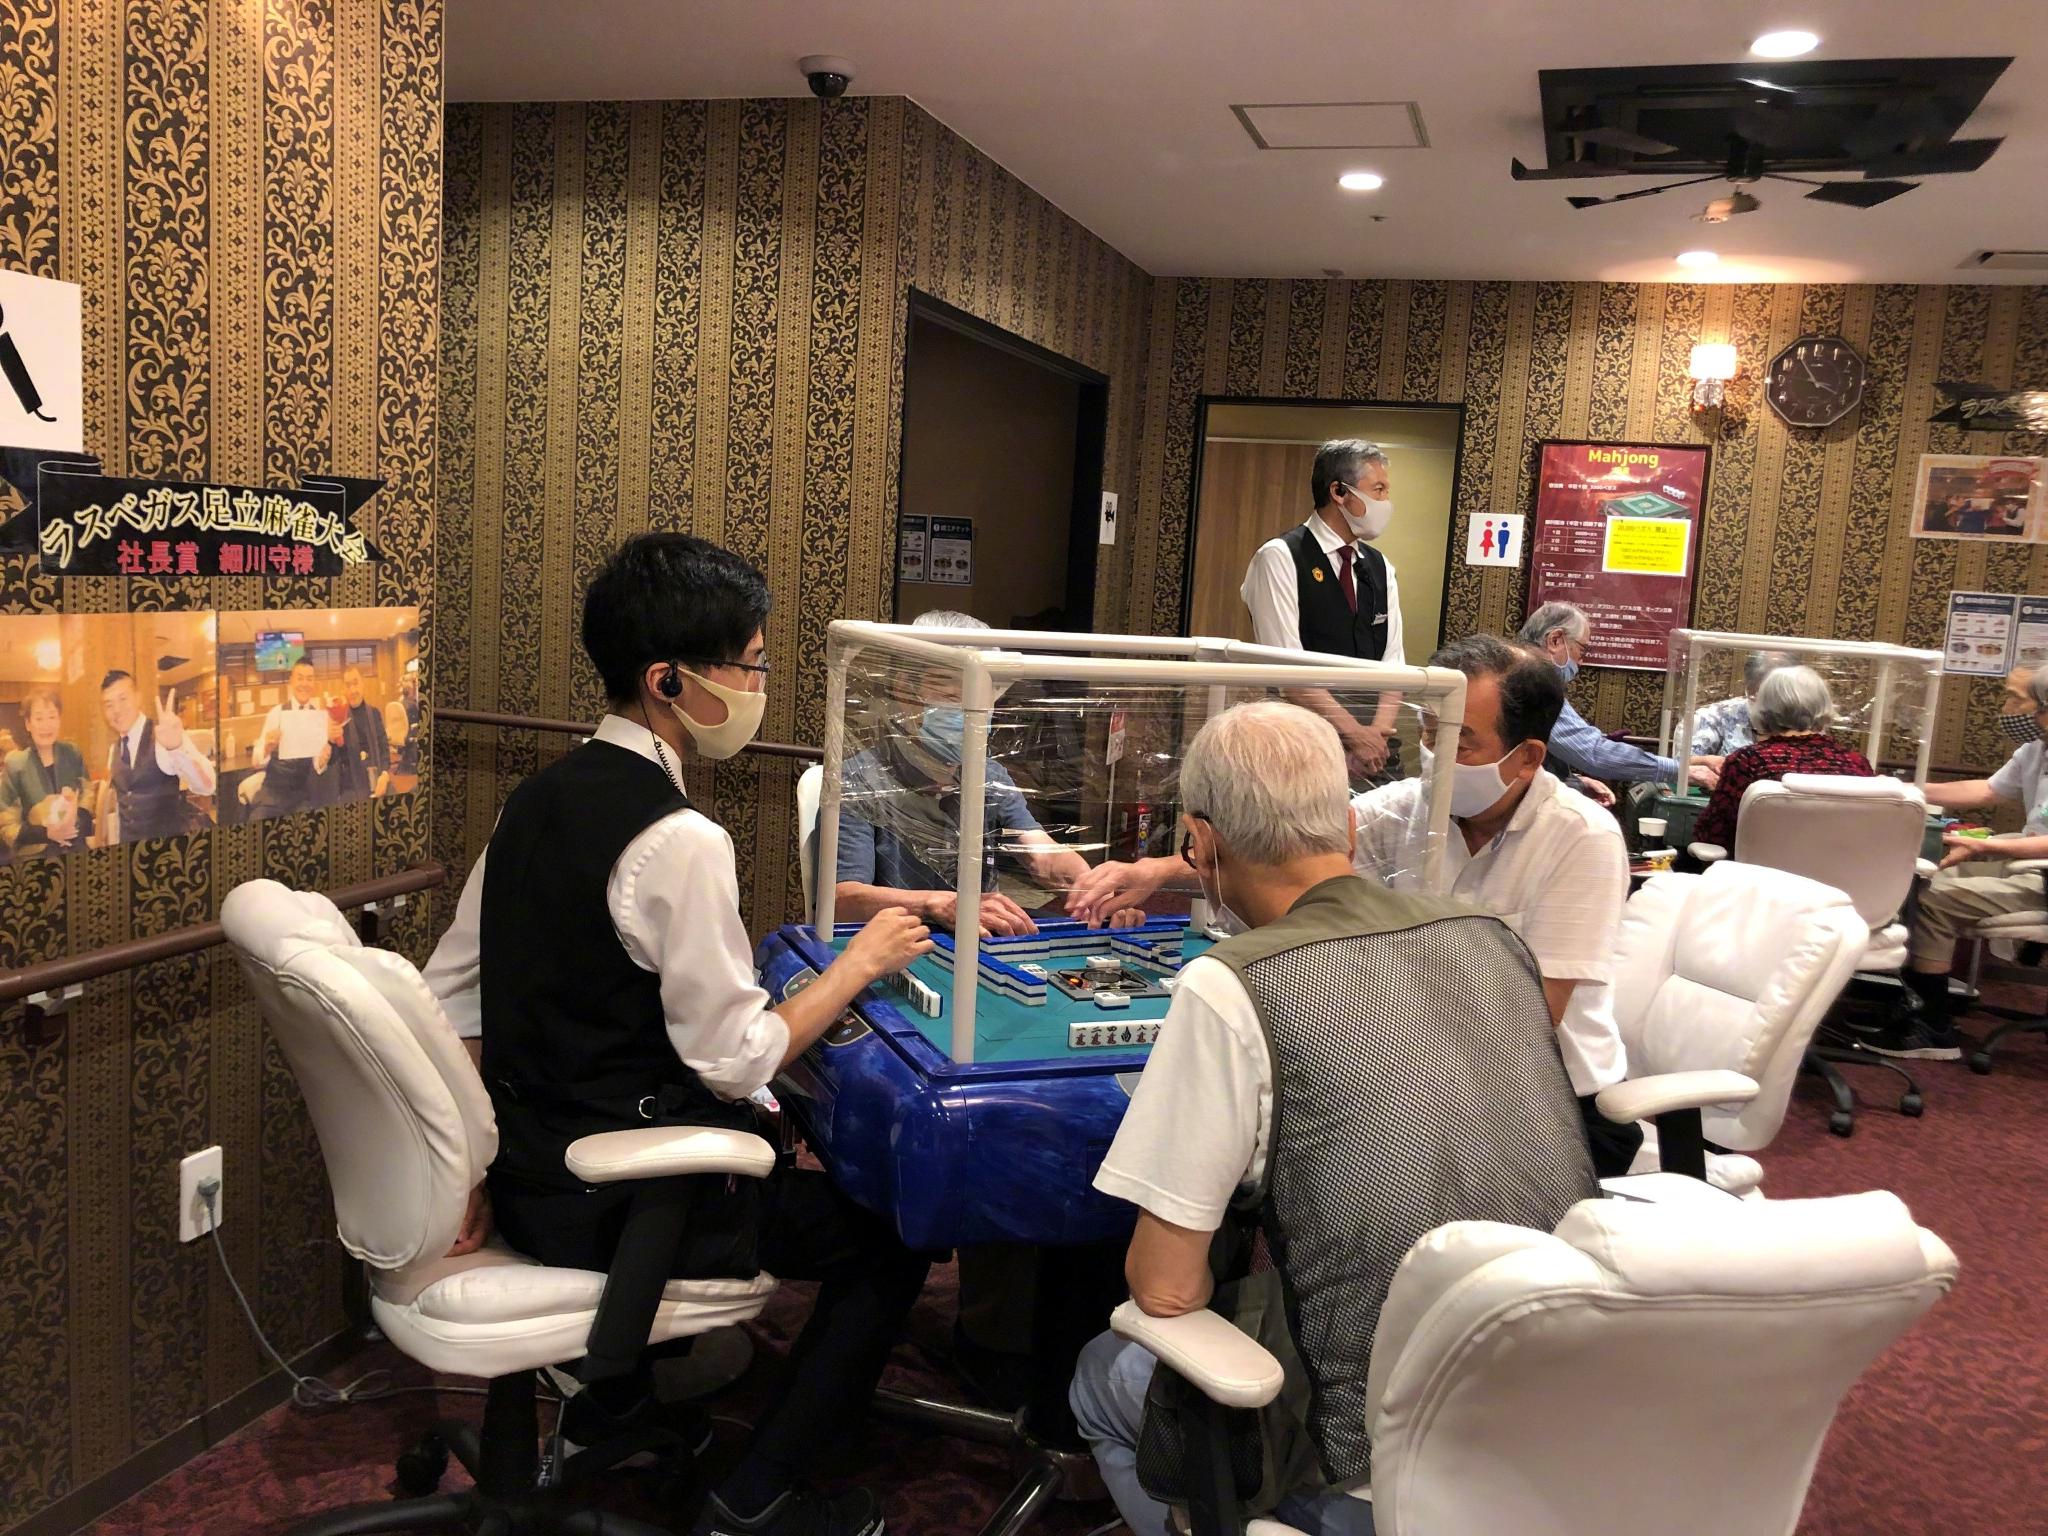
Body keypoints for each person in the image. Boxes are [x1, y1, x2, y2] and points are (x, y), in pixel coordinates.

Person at [423, 532, 934, 1536]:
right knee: (889, 1239)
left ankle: (614, 1406)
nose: (757, 689)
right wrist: (861, 963)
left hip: (530, 1172)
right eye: (749, 666)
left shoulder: (535, 798)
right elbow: (737, 1059)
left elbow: (450, 1001)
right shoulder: (680, 839)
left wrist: (468, 1165)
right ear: (668, 682)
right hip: (624, 1205)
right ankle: (757, 1496)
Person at [1068, 702, 1597, 1536]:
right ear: (1350, 829)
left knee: (1102, 1376)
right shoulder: (1496, 940)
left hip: (1373, 1469)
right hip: (1568, 1415)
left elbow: (1164, 1292)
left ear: (1199, 844)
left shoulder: (1231, 982)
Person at [1351, 636, 1639, 1176]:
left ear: (1527, 758)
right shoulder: (1409, 807)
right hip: (1433, 1082)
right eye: (1429, 734)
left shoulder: (1582, 837)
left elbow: (1531, 1020)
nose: (1435, 757)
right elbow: (1306, 847)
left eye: (1460, 742)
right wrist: (1186, 862)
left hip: (1551, 1103)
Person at [833, 610, 1144, 937]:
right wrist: (937, 904)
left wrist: (1094, 893)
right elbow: (842, 901)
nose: (970, 715)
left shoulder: (987, 774)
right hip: (894, 943)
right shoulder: (859, 780)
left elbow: (1041, 854)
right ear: (904, 691)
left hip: (978, 941)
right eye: (952, 698)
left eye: (982, 701)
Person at [1886, 667, 2048, 1062]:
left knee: (1932, 902)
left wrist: (1983, 847)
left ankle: (1932, 1027)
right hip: (2028, 861)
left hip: (2043, 879)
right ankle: (1914, 1001)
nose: (2008, 708)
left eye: (2017, 699)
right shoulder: (2037, 749)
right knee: (1922, 881)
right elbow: (1987, 790)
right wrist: (1906, 789)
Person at [1239, 439, 1406, 782]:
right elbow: (1288, 671)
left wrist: (1375, 737)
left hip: (1376, 754)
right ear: (1339, 492)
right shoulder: (1281, 557)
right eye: (1378, 490)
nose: (1386, 502)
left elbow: (1394, 667)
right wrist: (1353, 734)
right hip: (1303, 747)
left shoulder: (1380, 566)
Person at [1519, 602, 1720, 796]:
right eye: (1582, 649)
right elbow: (1594, 753)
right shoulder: (1533, 684)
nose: (1581, 660)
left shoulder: (1517, 669)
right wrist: (1681, 771)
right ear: (1555, 640)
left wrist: (1575, 781)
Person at [1690, 666, 1874, 852]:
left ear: (1763, 708)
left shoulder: (1746, 762)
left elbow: (1710, 836)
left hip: (1757, 870)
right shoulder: (1858, 765)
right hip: (1840, 870)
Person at [100, 671, 215, 841]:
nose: (116, 710)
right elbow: (122, 808)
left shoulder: (163, 737)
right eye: (109, 705)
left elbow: (208, 786)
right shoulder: (113, 750)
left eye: (123, 699)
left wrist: (177, 748)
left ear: (138, 698)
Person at [1, 688, 94, 856]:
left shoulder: (72, 753)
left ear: (59, 720)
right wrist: (46, 834)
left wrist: (74, 822)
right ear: (28, 724)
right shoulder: (15, 764)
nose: (46, 725)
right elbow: (7, 824)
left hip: (76, 846)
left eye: (52, 717)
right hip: (36, 854)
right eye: (39, 718)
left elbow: (87, 794)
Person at [250, 660, 342, 818]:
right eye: (300, 678)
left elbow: (318, 765)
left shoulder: (318, 717)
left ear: (314, 683)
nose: (304, 684)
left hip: (300, 798)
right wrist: (267, 748)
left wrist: (323, 758)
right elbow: (255, 762)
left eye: (309, 679)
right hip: (272, 796)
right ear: (291, 681)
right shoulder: (276, 713)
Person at [1689, 649, 1799, 757]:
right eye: (1773, 690)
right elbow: (1686, 762)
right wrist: (1710, 762)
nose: (1782, 699)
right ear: (1751, 689)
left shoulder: (1803, 719)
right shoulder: (1719, 716)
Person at [334, 665, 392, 800]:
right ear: (343, 689)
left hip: (377, 773)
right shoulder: (339, 718)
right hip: (352, 783)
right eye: (348, 685)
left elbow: (384, 748)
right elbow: (337, 759)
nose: (352, 690)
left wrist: (384, 775)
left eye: (356, 683)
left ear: (363, 684)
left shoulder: (375, 713)